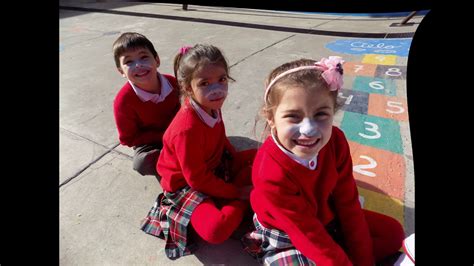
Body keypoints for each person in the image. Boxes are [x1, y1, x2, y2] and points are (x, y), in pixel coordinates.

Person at [242, 57, 405, 265]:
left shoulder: (335, 141)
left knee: (392, 233)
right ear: (271, 118)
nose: (308, 130)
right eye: (293, 116)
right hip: (287, 233)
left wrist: (364, 260)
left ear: (333, 111)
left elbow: (348, 205)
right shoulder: (270, 172)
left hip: (326, 216)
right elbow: (308, 234)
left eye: (321, 114)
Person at [141, 44, 256, 259]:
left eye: (222, 79)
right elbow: (197, 180)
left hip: (212, 166)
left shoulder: (210, 104)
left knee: (262, 155)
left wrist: (234, 159)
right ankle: (242, 197)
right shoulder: (186, 129)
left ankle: (241, 187)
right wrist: (236, 192)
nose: (217, 89)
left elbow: (220, 136)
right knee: (216, 230)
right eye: (204, 83)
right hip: (185, 184)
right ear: (187, 87)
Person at [112, 32, 180, 179]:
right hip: (152, 143)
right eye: (129, 62)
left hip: (178, 134)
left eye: (144, 57)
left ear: (157, 60)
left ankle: (181, 157)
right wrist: (164, 137)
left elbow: (186, 110)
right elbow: (128, 138)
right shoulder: (123, 101)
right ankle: (176, 163)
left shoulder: (173, 83)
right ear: (121, 72)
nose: (138, 65)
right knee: (141, 162)